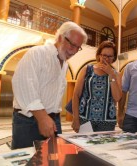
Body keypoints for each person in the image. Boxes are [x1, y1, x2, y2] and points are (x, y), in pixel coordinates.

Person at [11, 21, 88, 149]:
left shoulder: (65, 64)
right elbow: (23, 83)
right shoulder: (37, 53)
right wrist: (42, 118)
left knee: (53, 159)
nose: (74, 51)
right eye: (72, 44)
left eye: (78, 47)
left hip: (53, 120)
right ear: (60, 37)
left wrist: (51, 119)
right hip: (29, 120)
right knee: (28, 159)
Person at [72, 41, 122, 132]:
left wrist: (111, 74)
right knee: (84, 145)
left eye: (110, 56)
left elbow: (117, 97)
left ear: (114, 57)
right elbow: (76, 95)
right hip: (85, 119)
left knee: (103, 146)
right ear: (99, 55)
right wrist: (75, 118)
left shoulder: (116, 74)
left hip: (107, 122)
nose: (107, 58)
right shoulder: (87, 69)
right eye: (104, 55)